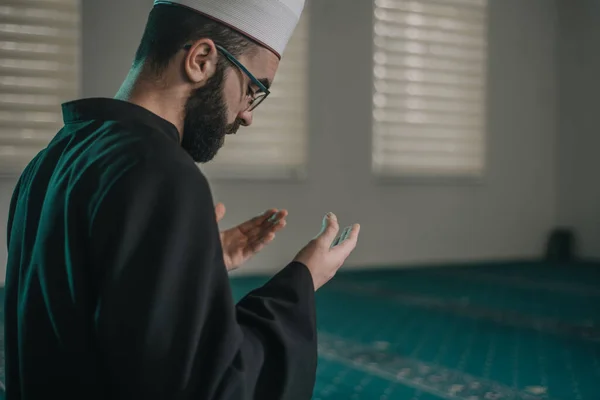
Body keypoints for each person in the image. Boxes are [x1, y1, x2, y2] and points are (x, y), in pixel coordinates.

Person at [3, 0, 361, 399]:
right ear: (202, 59)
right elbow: (206, 387)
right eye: (252, 88)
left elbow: (80, 316)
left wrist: (193, 265)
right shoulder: (161, 171)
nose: (247, 115)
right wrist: (301, 282)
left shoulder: (56, 156)